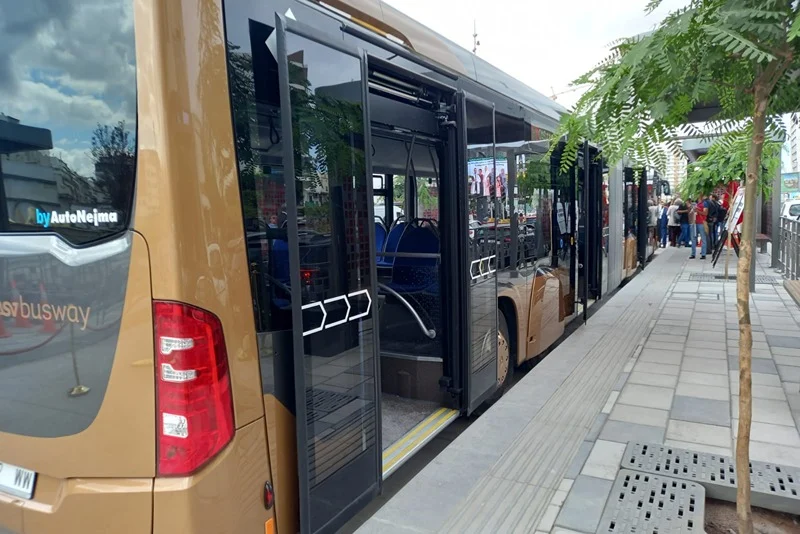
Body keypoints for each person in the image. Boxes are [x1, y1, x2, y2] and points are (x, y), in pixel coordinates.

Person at [692, 194, 708, 259]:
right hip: (695, 222)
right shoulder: (697, 204)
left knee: (703, 239)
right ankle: (693, 253)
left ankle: (703, 254)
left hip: (701, 223)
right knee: (693, 238)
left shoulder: (704, 204)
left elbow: (705, 213)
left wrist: (697, 211)